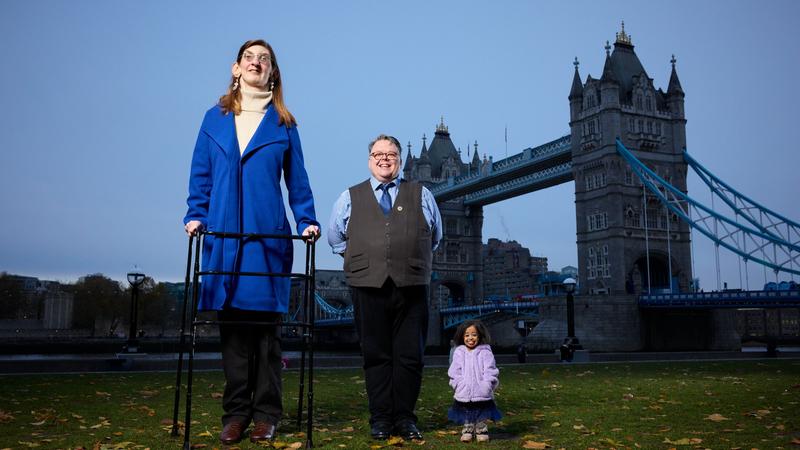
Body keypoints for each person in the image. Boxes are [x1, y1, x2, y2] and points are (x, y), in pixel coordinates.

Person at [183, 39, 319, 445]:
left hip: (266, 238)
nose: (257, 63)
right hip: (224, 238)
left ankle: (266, 414)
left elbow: (297, 180)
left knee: (266, 335)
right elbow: (200, 172)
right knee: (234, 335)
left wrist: (307, 219)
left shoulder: (284, 124)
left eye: (265, 59)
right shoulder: (214, 118)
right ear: (236, 68)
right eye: (250, 58)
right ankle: (236, 414)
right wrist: (195, 213)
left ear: (273, 72)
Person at [327, 134, 442, 441]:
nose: (384, 158)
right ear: (369, 160)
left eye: (391, 154)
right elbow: (336, 239)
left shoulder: (422, 194)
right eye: (378, 154)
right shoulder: (348, 197)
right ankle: (380, 420)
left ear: (400, 160)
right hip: (367, 286)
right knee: (376, 356)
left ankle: (405, 419)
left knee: (410, 357)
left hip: (412, 286)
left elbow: (435, 237)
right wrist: (367, 256)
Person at [447, 320, 502, 443]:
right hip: (464, 390)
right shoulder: (459, 352)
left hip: (481, 390)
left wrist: (487, 385)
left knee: (480, 411)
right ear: (462, 336)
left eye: (474, 335)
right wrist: (458, 384)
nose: (470, 338)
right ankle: (468, 429)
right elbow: (454, 371)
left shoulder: (485, 352)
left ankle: (481, 429)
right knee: (467, 411)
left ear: (480, 336)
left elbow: (491, 370)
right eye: (467, 335)